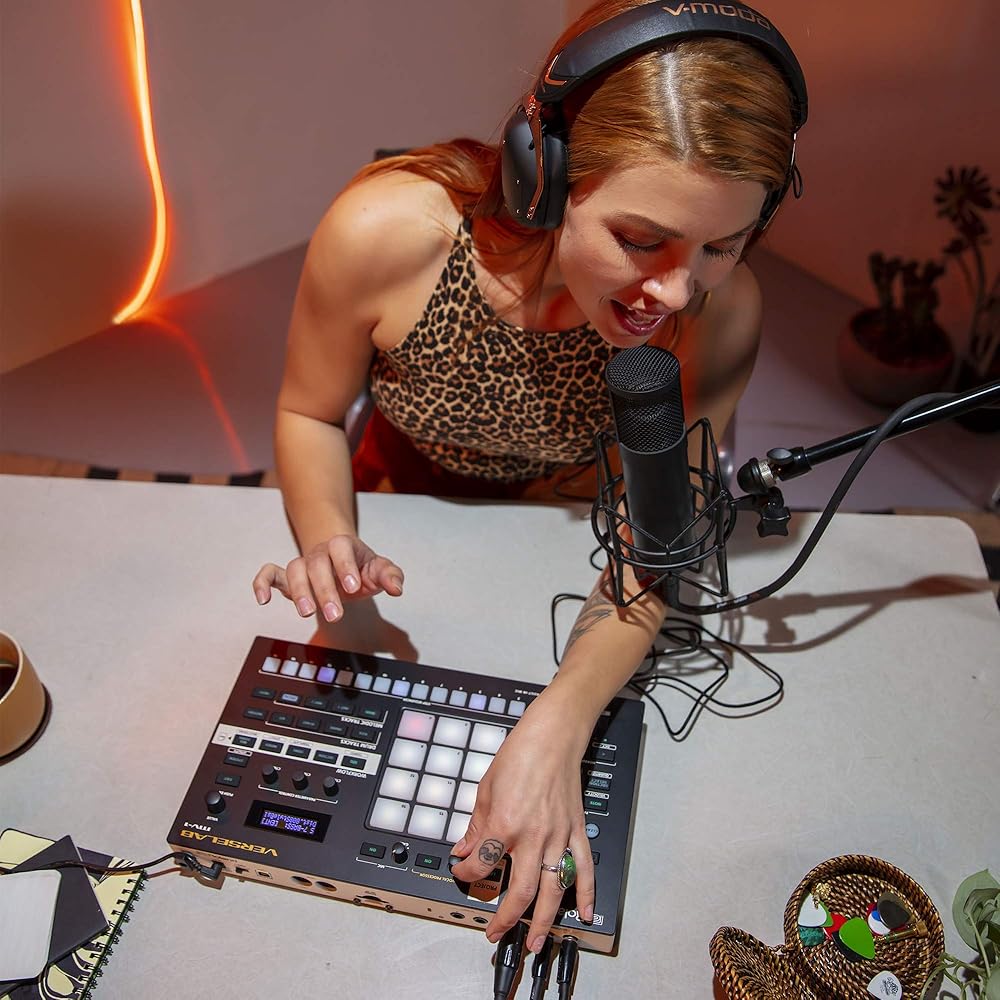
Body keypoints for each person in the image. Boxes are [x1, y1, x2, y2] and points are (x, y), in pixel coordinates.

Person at [253, 0, 805, 962]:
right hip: (402, 497)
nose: (679, 293)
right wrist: (332, 543)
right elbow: (308, 414)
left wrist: (558, 724)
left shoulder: (723, 313)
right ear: (543, 174)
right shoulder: (385, 231)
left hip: (565, 521)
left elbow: (654, 542)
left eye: (722, 245)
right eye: (642, 238)